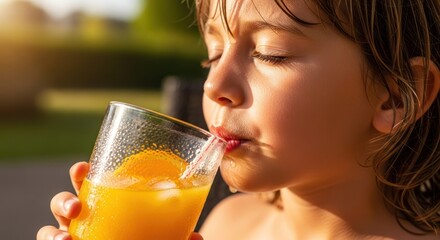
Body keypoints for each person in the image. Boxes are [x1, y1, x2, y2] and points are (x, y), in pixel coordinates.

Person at [37, 0, 440, 239]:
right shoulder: (226, 224)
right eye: (214, 53)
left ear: (395, 97)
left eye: (271, 52)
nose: (214, 84)